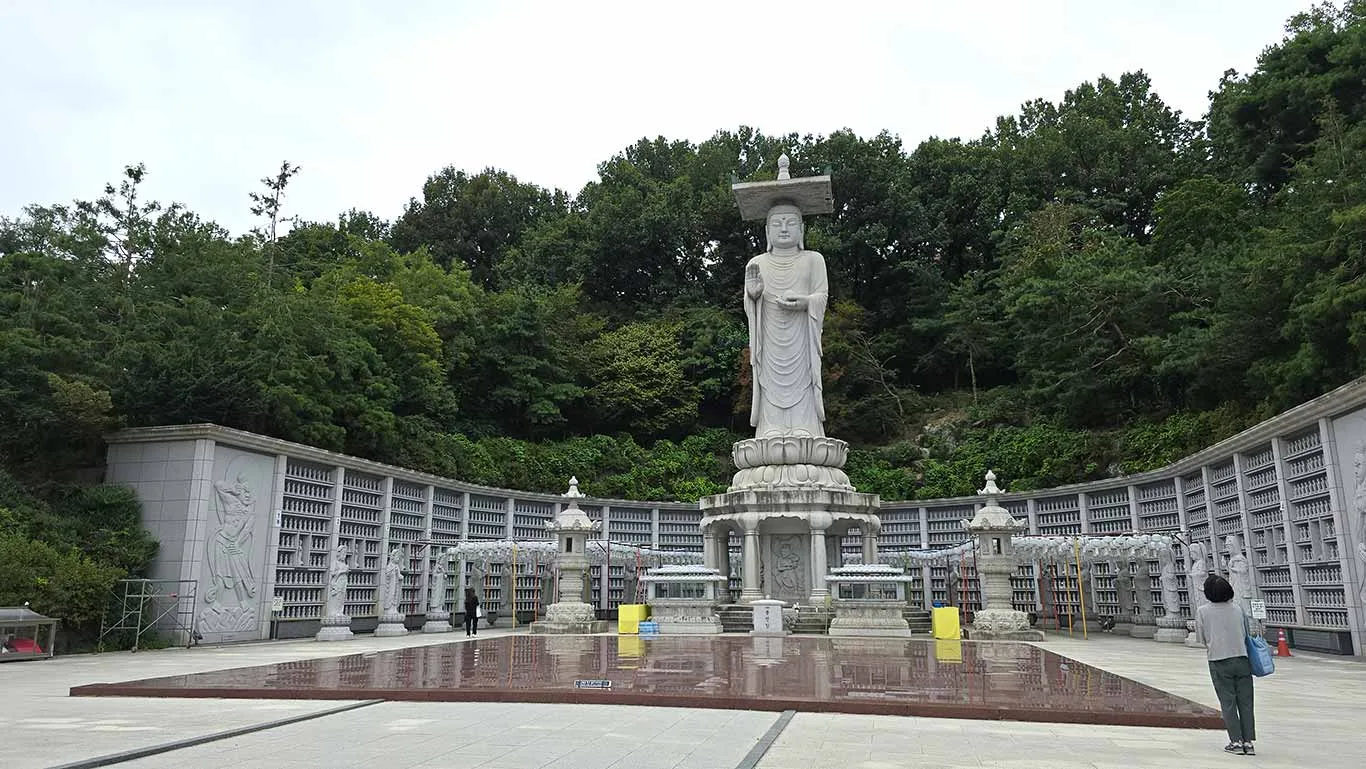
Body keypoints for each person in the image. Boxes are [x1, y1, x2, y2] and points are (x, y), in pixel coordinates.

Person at [743, 200, 830, 438]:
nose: (784, 228)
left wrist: (805, 302)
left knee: (802, 379)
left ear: (801, 230)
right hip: (770, 338)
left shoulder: (814, 259)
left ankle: (805, 427)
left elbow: (821, 295)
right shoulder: (757, 264)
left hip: (801, 336)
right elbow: (750, 305)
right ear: (767, 231)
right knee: (768, 379)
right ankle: (771, 428)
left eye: (791, 223)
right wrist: (754, 295)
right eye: (777, 224)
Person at [1195, 574, 1257, 755]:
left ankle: (1235, 741)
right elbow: (1246, 633)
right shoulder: (1238, 609)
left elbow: (1201, 638)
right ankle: (1248, 742)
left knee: (1228, 702)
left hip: (1219, 659)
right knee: (1246, 702)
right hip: (1242, 658)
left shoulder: (1203, 611)